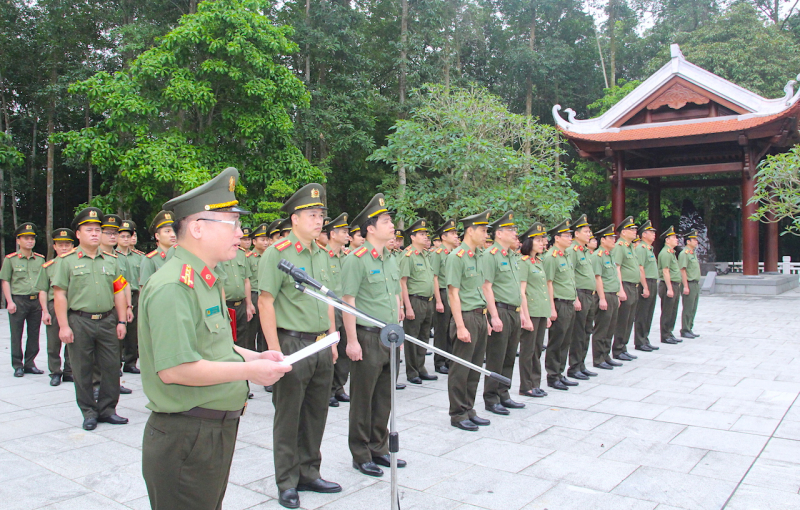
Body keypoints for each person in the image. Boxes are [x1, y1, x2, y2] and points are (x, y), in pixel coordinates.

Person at [138, 168, 290, 510]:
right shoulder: (174, 286)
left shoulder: (205, 279)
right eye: (232, 223)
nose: (241, 232)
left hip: (210, 431)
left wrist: (254, 357)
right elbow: (176, 369)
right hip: (187, 436)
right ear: (197, 227)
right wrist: (248, 373)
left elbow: (215, 345)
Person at [258, 183, 340, 509]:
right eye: (311, 215)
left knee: (316, 412)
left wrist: (333, 339)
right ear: (294, 218)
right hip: (292, 342)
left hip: (322, 343)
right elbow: (266, 302)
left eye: (321, 215)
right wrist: (275, 349)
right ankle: (287, 481)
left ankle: (309, 471)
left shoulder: (323, 254)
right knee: (289, 416)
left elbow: (329, 300)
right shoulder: (277, 254)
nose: (318, 220)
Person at [342, 193, 406, 477]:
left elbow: (393, 293)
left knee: (385, 396)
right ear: (370, 228)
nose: (391, 225)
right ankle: (360, 453)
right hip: (367, 337)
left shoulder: (391, 258)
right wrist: (352, 341)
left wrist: (399, 313)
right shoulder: (357, 259)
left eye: (390, 219)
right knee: (363, 398)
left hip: (391, 336)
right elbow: (348, 301)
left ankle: (379, 448)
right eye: (386, 220)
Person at [53, 207, 129, 430]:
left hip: (107, 321)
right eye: (89, 230)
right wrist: (64, 326)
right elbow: (60, 294)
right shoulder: (66, 261)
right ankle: (88, 411)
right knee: (82, 369)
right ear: (78, 234)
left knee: (111, 366)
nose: (95, 234)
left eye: (98, 230)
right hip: (79, 321)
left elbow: (119, 291)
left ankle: (107, 409)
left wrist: (122, 321)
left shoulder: (112, 261)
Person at [445, 210, 491, 431]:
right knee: (461, 368)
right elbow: (453, 294)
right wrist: (460, 325)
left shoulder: (479, 256)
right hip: (466, 317)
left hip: (479, 316)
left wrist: (488, 318)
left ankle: (469, 408)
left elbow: (481, 289)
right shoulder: (456, 257)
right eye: (482, 230)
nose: (485, 234)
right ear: (470, 231)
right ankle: (457, 413)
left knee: (474, 367)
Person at [481, 211, 525, 415]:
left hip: (514, 311)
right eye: (510, 230)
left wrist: (522, 313)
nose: (514, 233)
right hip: (500, 310)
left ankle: (504, 393)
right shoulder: (491, 255)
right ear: (499, 234)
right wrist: (494, 315)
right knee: (496, 356)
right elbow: (486, 286)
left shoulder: (512, 256)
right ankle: (491, 397)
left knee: (509, 356)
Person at [2, 222, 45, 377]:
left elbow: (43, 282)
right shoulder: (10, 259)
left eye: (32, 238)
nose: (30, 241)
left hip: (36, 301)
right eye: (26, 238)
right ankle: (17, 364)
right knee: (16, 333)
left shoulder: (40, 259)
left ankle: (30, 363)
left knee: (34, 333)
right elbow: (5, 280)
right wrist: (10, 301)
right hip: (18, 300)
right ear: (18, 241)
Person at [399, 218, 438, 385]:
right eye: (421, 234)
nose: (425, 237)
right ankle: (412, 371)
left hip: (428, 301)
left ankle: (421, 368)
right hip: (415, 301)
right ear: (413, 237)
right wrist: (407, 306)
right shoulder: (408, 255)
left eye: (425, 234)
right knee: (412, 337)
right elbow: (403, 283)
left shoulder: (426, 255)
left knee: (423, 337)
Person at [544, 219, 579, 391]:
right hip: (559, 303)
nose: (570, 238)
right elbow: (548, 283)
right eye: (566, 235)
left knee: (566, 340)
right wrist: (551, 308)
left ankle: (560, 372)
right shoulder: (551, 257)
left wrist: (576, 298)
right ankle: (552, 375)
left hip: (569, 301)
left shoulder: (566, 255)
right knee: (556, 341)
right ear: (557, 238)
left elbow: (570, 281)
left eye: (571, 235)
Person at [38, 228, 76, 385]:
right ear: (54, 246)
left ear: (73, 245)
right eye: (60, 245)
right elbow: (43, 290)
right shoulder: (49, 266)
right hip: (54, 306)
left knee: (73, 340)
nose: (64, 248)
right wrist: (45, 311)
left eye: (67, 244)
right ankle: (55, 371)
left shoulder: (77, 264)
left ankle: (69, 370)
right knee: (54, 342)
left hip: (73, 306)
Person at [518, 223, 549, 398]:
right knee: (528, 350)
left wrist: (548, 312)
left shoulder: (538, 261)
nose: (542, 243)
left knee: (537, 349)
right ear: (529, 242)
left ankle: (535, 383)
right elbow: (521, 292)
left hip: (541, 310)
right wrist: (525, 316)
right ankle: (525, 385)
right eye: (538, 240)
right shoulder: (524, 263)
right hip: (531, 311)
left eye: (542, 240)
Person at [323, 213, 351, 407]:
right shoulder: (322, 255)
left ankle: (339, 386)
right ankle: (328, 390)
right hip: (328, 308)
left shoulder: (347, 256)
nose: (347, 234)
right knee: (329, 351)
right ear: (332, 234)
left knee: (344, 350)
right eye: (343, 231)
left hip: (346, 309)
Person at [566, 214, 598, 381]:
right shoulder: (572, 251)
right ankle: (574, 366)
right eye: (585, 231)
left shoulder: (585, 251)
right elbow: (570, 275)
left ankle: (581, 364)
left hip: (590, 295)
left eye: (589, 231)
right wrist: (575, 298)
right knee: (578, 332)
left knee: (586, 330)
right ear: (576, 234)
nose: (589, 234)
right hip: (580, 294)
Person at [611, 216, 643, 362]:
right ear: (623, 232)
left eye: (635, 229)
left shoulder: (630, 247)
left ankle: (624, 347)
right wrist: (620, 289)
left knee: (630, 319)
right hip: (626, 286)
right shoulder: (620, 247)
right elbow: (616, 268)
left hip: (634, 286)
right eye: (632, 229)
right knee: (623, 319)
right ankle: (617, 349)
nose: (635, 231)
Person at [590, 224, 622, 370]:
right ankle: (598, 358)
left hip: (613, 294)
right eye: (611, 238)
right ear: (603, 240)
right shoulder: (598, 256)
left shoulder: (610, 255)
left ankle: (606, 355)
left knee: (610, 327)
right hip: (605, 295)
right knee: (602, 328)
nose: (613, 240)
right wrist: (602, 298)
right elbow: (598, 278)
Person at [117, 220, 145, 373]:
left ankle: (130, 362)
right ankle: (117, 363)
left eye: (128, 236)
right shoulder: (113, 256)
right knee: (119, 330)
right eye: (122, 236)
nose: (126, 239)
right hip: (119, 296)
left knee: (134, 331)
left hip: (136, 295)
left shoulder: (139, 257)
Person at [431, 219, 458, 375]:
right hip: (441, 292)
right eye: (452, 234)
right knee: (441, 330)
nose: (456, 236)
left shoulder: (453, 254)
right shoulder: (438, 254)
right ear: (444, 237)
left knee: (451, 329)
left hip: (452, 293)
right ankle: (439, 361)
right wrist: (439, 301)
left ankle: (449, 359)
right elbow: (434, 277)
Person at [219, 234, 254, 349]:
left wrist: (249, 305)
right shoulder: (219, 253)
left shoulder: (240, 253)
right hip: (227, 305)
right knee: (227, 340)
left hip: (241, 305)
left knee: (243, 339)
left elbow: (246, 281)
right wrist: (223, 308)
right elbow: (219, 283)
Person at [633, 220, 660, 352]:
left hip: (652, 282)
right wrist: (644, 286)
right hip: (646, 282)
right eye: (651, 233)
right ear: (644, 234)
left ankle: (645, 338)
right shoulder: (641, 248)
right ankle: (640, 341)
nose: (654, 235)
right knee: (643, 313)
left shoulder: (649, 249)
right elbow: (640, 268)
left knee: (649, 312)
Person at [138, 210, 176, 288]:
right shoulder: (150, 260)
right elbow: (145, 290)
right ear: (157, 236)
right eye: (167, 231)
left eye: (174, 231)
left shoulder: (180, 256)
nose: (172, 235)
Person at [658, 225, 682, 345]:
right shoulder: (666, 253)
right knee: (667, 311)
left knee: (673, 310)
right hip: (669, 284)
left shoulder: (671, 252)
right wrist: (669, 288)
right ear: (667, 240)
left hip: (675, 284)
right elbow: (665, 271)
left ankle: (669, 332)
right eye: (674, 238)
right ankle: (665, 334)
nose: (676, 240)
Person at [247, 223, 268, 351]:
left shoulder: (269, 256)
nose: (265, 242)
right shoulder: (248, 258)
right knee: (251, 330)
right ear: (254, 241)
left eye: (267, 239)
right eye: (262, 239)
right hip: (254, 295)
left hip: (266, 295)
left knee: (265, 329)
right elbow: (246, 280)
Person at [679, 229, 702, 339]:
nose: (696, 242)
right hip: (689, 283)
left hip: (695, 283)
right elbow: (682, 270)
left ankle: (690, 327)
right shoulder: (685, 253)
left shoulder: (692, 253)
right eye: (694, 240)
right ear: (688, 241)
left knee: (693, 307)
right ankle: (685, 329)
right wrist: (686, 286)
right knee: (688, 307)